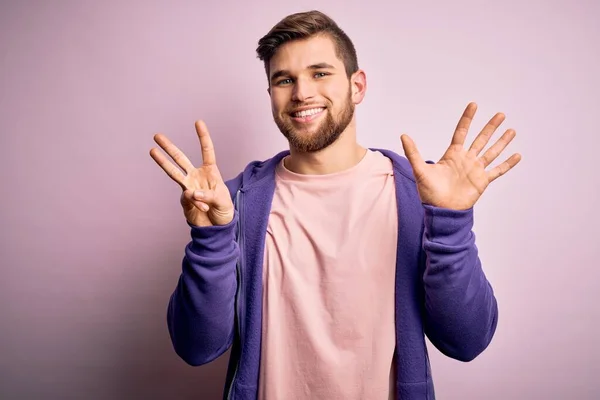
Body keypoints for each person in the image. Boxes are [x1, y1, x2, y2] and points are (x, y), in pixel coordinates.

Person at [149, 10, 521, 400]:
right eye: (284, 79)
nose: (302, 93)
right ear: (271, 94)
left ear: (357, 86)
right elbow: (196, 347)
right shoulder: (236, 203)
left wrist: (450, 222)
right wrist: (211, 238)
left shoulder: (415, 194)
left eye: (320, 73)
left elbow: (468, 340)